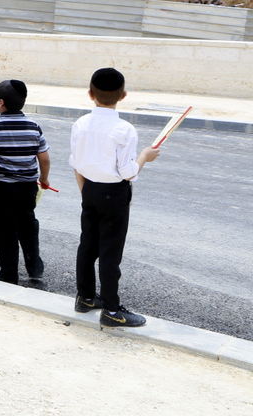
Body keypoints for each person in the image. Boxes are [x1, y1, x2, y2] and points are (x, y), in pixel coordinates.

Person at [70, 67, 159, 327]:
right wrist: (145, 156)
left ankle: (85, 297)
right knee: (110, 252)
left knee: (87, 245)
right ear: (123, 95)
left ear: (90, 94)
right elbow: (128, 172)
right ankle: (111, 309)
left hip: (88, 188)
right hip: (114, 192)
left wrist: (86, 192)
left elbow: (76, 163)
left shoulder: (80, 124)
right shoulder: (124, 129)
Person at [0, 79, 49, 288]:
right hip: (27, 186)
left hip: (2, 186)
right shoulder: (33, 126)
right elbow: (44, 157)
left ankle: (8, 273)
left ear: (1, 103)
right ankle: (34, 270)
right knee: (28, 225)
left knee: (4, 229)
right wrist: (44, 179)